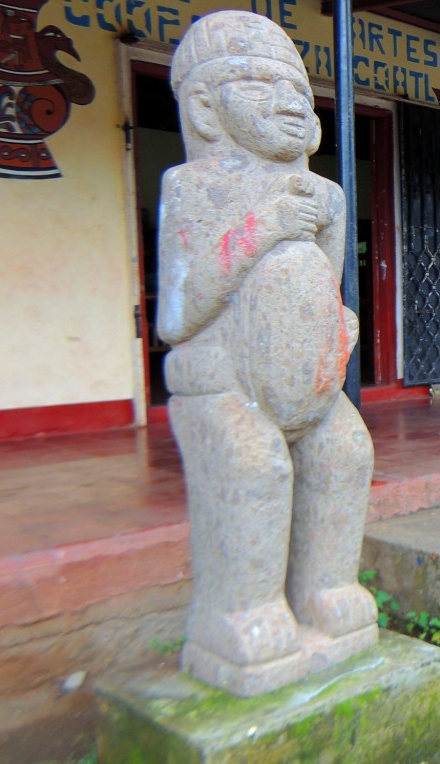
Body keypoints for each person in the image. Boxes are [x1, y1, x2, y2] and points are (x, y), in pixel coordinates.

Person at [158, 10, 376, 695]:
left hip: (308, 388)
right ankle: (239, 611)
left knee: (346, 453)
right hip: (221, 383)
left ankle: (325, 590)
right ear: (204, 105)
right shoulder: (192, 188)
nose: (287, 102)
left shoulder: (327, 193)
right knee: (252, 466)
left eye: (295, 88)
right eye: (258, 84)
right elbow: (176, 313)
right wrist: (264, 226)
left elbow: (320, 281)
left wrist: (338, 324)